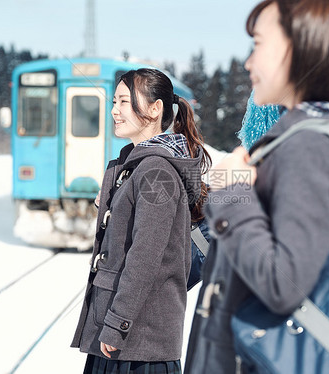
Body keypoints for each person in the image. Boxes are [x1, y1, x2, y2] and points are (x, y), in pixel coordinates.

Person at [184, 1, 329, 373]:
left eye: (258, 44)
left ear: (302, 49)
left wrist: (234, 191)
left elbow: (283, 282)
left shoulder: (309, 147)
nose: (248, 63)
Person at [72, 68, 211, 374]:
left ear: (154, 109)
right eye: (115, 101)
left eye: (123, 101)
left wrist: (117, 323)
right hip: (121, 338)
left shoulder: (156, 172)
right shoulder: (136, 166)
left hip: (137, 346)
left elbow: (145, 257)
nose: (113, 110)